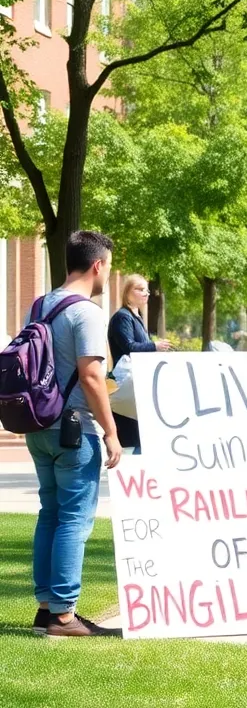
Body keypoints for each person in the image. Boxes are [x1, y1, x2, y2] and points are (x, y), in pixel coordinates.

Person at [27, 230, 123, 637]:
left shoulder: (40, 304)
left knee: (49, 513)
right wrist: (111, 431)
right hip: (72, 428)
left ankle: (46, 608)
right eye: (109, 266)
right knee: (75, 520)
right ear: (98, 264)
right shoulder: (87, 312)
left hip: (37, 423)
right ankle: (64, 617)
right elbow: (91, 374)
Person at [107, 274, 172, 454]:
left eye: (147, 290)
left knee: (141, 437)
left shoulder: (137, 317)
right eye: (140, 289)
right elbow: (128, 346)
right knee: (132, 437)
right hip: (127, 385)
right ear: (128, 292)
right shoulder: (122, 317)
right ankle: (131, 477)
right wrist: (154, 346)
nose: (146, 293)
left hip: (136, 385)